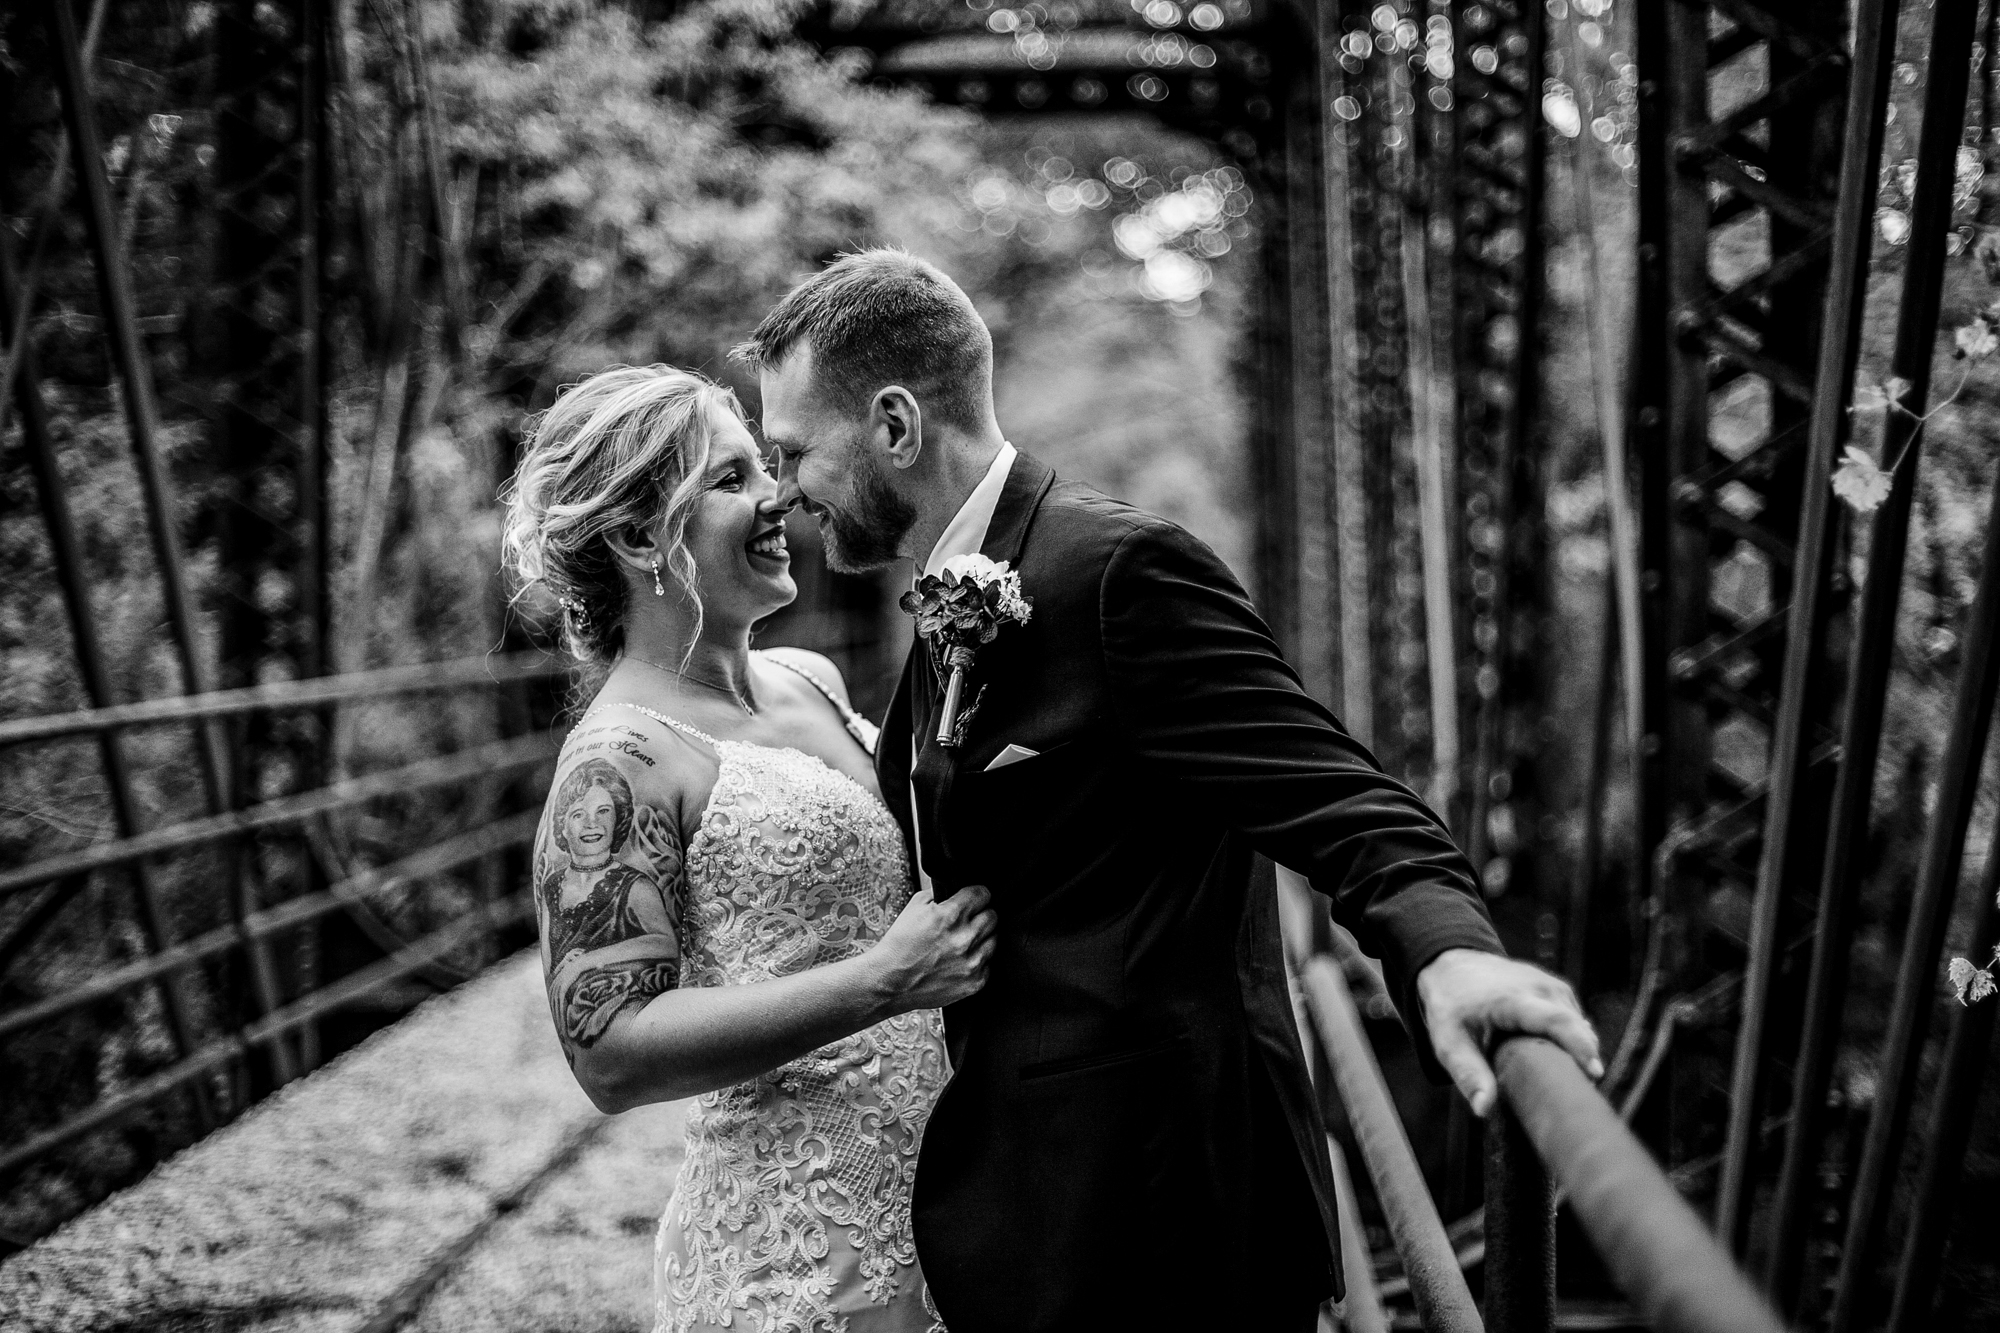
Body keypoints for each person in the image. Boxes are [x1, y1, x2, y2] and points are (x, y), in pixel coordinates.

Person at [737, 249, 1604, 1333]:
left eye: (794, 453)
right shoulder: (945, 602)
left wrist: (1450, 953)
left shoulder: (1115, 574)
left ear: (897, 426)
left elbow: (1335, 792)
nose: (783, 492)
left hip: (1164, 1226)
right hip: (1030, 1213)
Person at [502, 364, 993, 1333]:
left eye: (764, 469)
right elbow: (612, 1054)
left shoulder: (805, 679)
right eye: (730, 481)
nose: (780, 499)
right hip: (792, 1247)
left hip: (942, 1209)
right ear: (641, 536)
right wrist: (883, 981)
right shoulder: (619, 756)